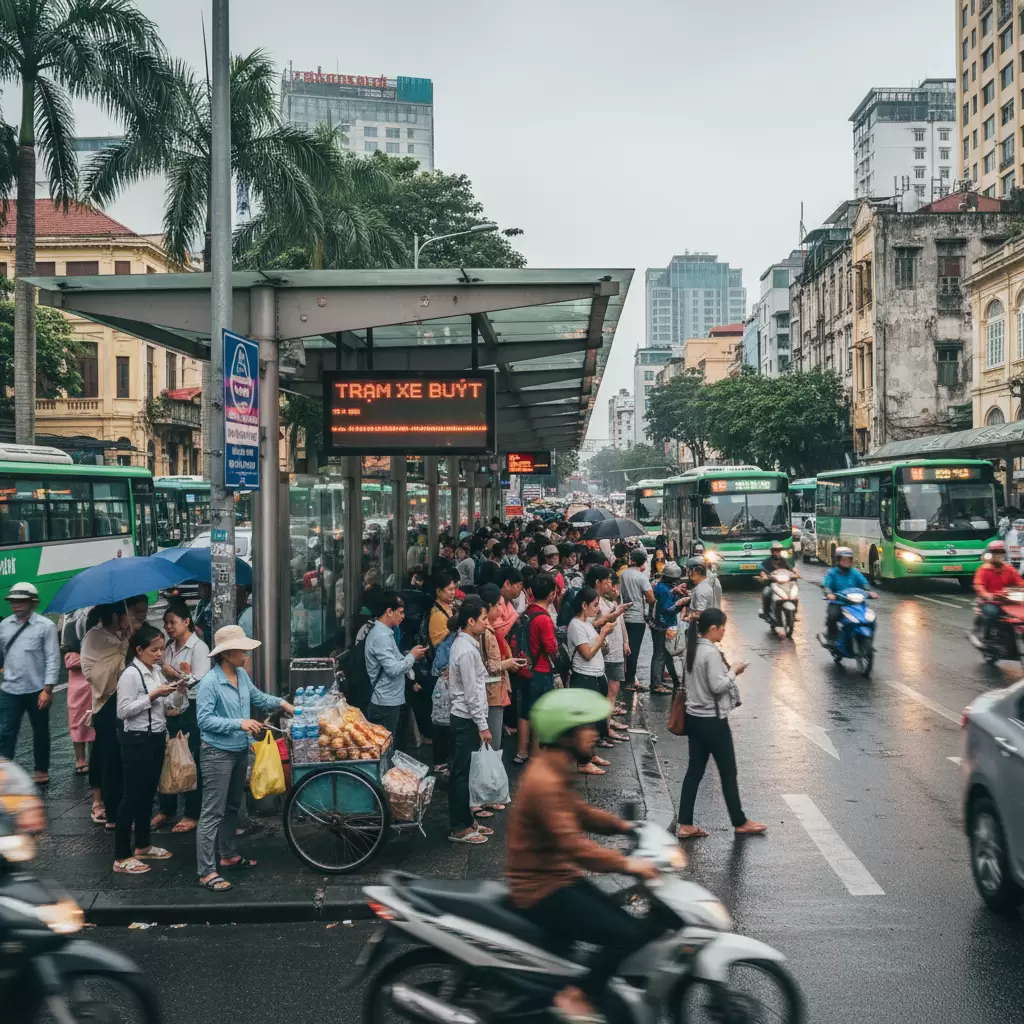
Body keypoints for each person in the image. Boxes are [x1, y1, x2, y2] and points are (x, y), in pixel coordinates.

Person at [506, 688, 661, 1024]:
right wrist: (627, 862)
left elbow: (582, 812)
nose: (594, 733)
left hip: (556, 877)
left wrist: (625, 827)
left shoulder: (553, 767)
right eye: (587, 728)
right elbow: (575, 846)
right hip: (542, 888)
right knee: (626, 934)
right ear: (566, 734)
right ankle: (577, 995)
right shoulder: (545, 780)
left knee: (616, 913)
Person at [195, 625, 294, 892]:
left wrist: (283, 704)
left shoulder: (240, 675)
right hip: (216, 753)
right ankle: (206, 871)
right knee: (212, 812)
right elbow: (203, 721)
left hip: (239, 750)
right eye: (242, 650)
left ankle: (227, 855)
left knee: (231, 808)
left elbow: (259, 698)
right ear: (227, 654)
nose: (247, 655)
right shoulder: (210, 683)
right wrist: (240, 723)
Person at [677, 609, 767, 840]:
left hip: (693, 718)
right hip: (713, 722)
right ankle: (739, 821)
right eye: (723, 627)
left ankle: (685, 823)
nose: (725, 631)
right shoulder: (710, 653)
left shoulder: (691, 648)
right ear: (714, 628)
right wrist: (734, 671)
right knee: (728, 772)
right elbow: (718, 687)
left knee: (694, 772)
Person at [113, 624, 181, 874]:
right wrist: (151, 696)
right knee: (131, 795)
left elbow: (170, 705)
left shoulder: (155, 672)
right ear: (139, 649)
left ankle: (142, 844)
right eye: (154, 650)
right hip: (136, 739)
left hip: (155, 737)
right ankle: (121, 856)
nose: (159, 654)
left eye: (162, 649)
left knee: (147, 793)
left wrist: (177, 690)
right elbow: (123, 711)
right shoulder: (131, 674)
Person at [151, 602, 211, 834]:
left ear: (187, 622)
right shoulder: (168, 647)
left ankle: (192, 812)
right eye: (166, 623)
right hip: (169, 706)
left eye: (172, 622)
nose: (168, 627)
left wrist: (173, 673)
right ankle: (167, 808)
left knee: (189, 756)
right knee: (168, 756)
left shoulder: (199, 647)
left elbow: (200, 680)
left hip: (192, 708)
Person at [0, 583, 60, 785]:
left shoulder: (46, 626)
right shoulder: (4, 625)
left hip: (37, 689)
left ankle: (41, 769)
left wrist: (48, 688)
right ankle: (4, 770)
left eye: (21, 602)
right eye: (13, 602)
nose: (16, 606)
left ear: (33, 602)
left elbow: (52, 657)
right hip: (10, 689)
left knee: (41, 731)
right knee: (6, 731)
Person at [446, 599, 494, 844]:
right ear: (471, 621)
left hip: (467, 718)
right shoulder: (465, 650)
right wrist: (483, 725)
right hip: (465, 718)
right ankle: (459, 827)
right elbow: (471, 692)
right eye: (484, 618)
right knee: (461, 775)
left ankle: (467, 820)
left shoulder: (467, 645)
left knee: (465, 772)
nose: (488, 622)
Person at [81, 603, 131, 828]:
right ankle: (112, 814)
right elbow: (94, 673)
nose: (131, 618)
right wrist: (126, 648)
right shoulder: (95, 637)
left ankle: (118, 809)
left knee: (120, 759)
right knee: (110, 759)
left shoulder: (121, 636)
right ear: (114, 616)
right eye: (127, 614)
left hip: (124, 701)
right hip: (106, 703)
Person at [566, 588, 624, 775]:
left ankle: (590, 755)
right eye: (595, 605)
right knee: (585, 724)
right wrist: (603, 634)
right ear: (584, 605)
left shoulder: (587, 623)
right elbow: (587, 653)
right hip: (584, 678)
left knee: (594, 721)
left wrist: (609, 619)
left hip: (596, 676)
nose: (598, 609)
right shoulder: (576, 625)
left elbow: (598, 627)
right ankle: (583, 761)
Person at [364, 590, 428, 735]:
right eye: (400, 612)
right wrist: (412, 656)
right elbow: (393, 669)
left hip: (390, 700)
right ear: (389, 611)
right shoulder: (381, 636)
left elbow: (396, 660)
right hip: (384, 702)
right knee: (385, 748)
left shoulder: (385, 632)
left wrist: (410, 654)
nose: (403, 616)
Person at [514, 574, 559, 764]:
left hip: (525, 668)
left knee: (525, 712)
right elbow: (550, 648)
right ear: (551, 595)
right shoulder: (544, 619)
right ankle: (535, 753)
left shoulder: (527, 612)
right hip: (540, 671)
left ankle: (521, 752)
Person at [587, 566, 630, 740]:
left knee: (611, 692)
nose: (611, 585)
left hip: (615, 651)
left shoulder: (607, 601)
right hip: (606, 653)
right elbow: (593, 624)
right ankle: (603, 731)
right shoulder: (594, 602)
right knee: (609, 693)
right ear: (598, 583)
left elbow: (620, 623)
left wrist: (625, 642)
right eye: (608, 582)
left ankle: (606, 725)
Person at [820, 547, 877, 643]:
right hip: (838, 602)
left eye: (849, 559)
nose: (846, 562)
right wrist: (829, 593)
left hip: (855, 603)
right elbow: (825, 585)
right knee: (833, 616)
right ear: (838, 560)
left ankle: (868, 641)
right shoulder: (832, 573)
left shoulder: (855, 572)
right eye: (843, 559)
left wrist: (869, 591)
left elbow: (864, 583)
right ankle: (832, 639)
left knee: (871, 619)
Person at [60, 607, 93, 774]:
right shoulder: (71, 615)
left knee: (95, 719)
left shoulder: (102, 612)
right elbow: (67, 651)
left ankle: (93, 757)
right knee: (77, 718)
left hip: (97, 680)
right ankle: (80, 758)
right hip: (79, 682)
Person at [973, 539, 1024, 643]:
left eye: (1001, 552)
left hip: (1008, 600)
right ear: (990, 554)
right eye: (995, 553)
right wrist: (988, 596)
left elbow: (1019, 582)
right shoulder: (983, 570)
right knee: (992, 614)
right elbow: (979, 586)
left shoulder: (1009, 569)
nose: (998, 555)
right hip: (990, 601)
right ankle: (985, 638)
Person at [619, 550, 655, 691]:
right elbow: (651, 599)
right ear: (643, 562)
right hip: (637, 618)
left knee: (624, 648)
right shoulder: (641, 577)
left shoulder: (623, 574)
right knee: (634, 650)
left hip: (623, 615)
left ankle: (624, 677)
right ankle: (629, 681)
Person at [651, 562, 687, 694]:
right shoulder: (663, 590)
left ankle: (661, 679)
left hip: (662, 623)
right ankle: (656, 684)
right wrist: (681, 604)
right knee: (660, 654)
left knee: (665, 653)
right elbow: (668, 610)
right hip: (662, 624)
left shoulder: (664, 586)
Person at [757, 541, 799, 621]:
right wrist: (764, 576)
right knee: (766, 592)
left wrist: (796, 573)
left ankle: (793, 614)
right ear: (772, 552)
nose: (778, 553)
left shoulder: (785, 560)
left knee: (795, 596)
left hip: (786, 584)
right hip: (773, 584)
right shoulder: (767, 562)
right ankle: (766, 613)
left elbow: (793, 569)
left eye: (779, 551)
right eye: (776, 551)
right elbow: (762, 572)